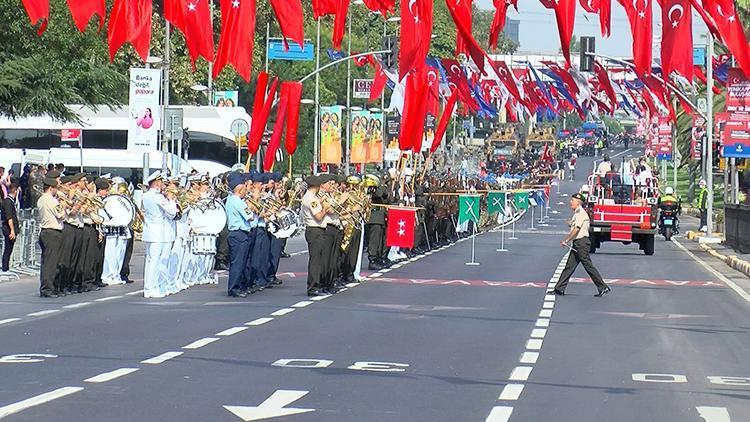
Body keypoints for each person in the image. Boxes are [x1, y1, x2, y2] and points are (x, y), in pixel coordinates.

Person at [548, 193, 610, 297]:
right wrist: (570, 223)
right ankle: (559, 289)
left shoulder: (581, 213)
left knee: (588, 266)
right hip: (577, 243)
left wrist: (566, 240)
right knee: (569, 266)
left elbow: (577, 229)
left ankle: (603, 287)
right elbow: (575, 224)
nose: (570, 202)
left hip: (582, 243)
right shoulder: (577, 213)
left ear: (578, 202)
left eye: (572, 200)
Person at [141, 171, 178, 298]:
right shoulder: (157, 197)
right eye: (162, 182)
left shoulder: (146, 195)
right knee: (156, 262)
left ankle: (149, 288)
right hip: (158, 233)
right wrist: (171, 199)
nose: (164, 185)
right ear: (157, 183)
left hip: (150, 232)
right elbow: (172, 213)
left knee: (151, 261)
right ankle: (152, 288)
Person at [300, 175, 332, 296]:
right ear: (317, 186)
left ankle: (317, 285)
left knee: (318, 259)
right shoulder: (311, 198)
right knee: (316, 260)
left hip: (315, 230)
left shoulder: (311, 197)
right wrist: (324, 207)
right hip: (315, 230)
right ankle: (313, 287)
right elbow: (318, 216)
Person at [225, 172, 255, 297]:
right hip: (239, 234)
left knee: (241, 262)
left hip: (238, 234)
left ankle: (240, 285)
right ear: (240, 188)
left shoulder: (231, 200)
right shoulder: (237, 202)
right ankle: (234, 288)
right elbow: (250, 217)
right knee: (238, 262)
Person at [37, 175, 65, 297]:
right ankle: (47, 289)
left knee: (46, 262)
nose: (56, 190)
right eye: (55, 188)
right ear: (50, 188)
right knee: (51, 263)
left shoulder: (41, 199)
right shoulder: (52, 200)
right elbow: (61, 215)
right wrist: (62, 204)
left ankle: (47, 287)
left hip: (45, 231)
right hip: (52, 232)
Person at [1, 182, 19, 272]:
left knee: (9, 249)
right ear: (15, 191)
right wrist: (12, 230)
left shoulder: (10, 201)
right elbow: (9, 217)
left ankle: (6, 266)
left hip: (10, 228)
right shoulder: (8, 202)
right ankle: (5, 267)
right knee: (8, 249)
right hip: (8, 229)